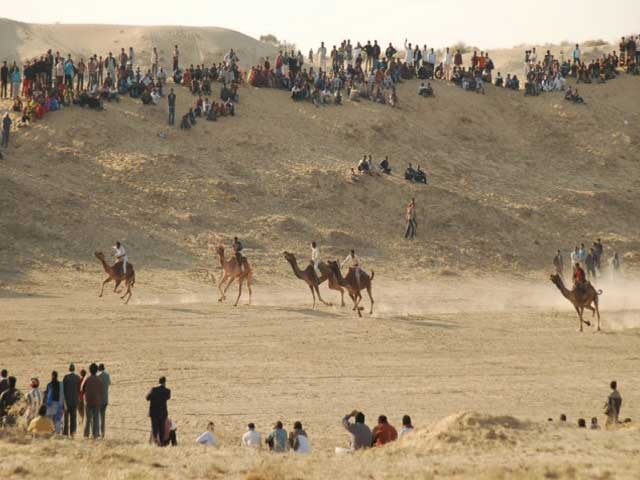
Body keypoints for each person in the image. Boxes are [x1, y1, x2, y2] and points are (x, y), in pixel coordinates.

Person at [147, 376, 171, 446]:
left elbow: (147, 398)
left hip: (154, 413)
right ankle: (162, 444)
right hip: (163, 413)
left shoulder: (153, 389)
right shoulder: (167, 391)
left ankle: (155, 442)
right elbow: (168, 398)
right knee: (162, 429)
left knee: (155, 428)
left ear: (159, 381)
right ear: (164, 382)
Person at [83, 363, 102, 439]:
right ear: (97, 371)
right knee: (95, 419)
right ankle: (95, 434)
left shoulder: (87, 379)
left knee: (88, 419)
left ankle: (86, 434)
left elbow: (82, 389)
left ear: (90, 370)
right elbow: (101, 391)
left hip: (88, 401)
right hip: (96, 401)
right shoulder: (99, 380)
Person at [63, 364, 81, 436]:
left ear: (69, 369)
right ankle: (73, 433)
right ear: (74, 369)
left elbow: (63, 390)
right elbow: (79, 390)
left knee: (66, 419)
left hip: (67, 401)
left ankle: (65, 433)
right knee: (73, 418)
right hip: (74, 401)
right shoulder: (77, 377)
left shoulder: (66, 377)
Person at [98, 363, 111, 438]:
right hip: (105, 399)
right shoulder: (107, 375)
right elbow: (109, 383)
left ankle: (98, 433)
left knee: (97, 417)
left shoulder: (98, 376)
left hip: (99, 399)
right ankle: (103, 434)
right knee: (103, 417)